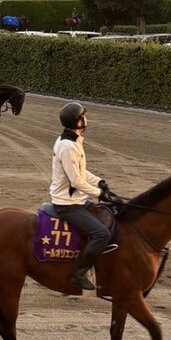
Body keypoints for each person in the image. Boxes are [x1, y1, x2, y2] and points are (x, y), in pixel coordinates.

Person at [49, 102, 116, 291]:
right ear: (77, 122)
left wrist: (99, 182)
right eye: (83, 116)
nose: (86, 119)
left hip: (76, 200)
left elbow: (81, 171)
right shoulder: (68, 146)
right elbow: (76, 181)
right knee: (101, 234)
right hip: (67, 204)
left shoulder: (73, 141)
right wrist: (100, 194)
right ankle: (78, 273)